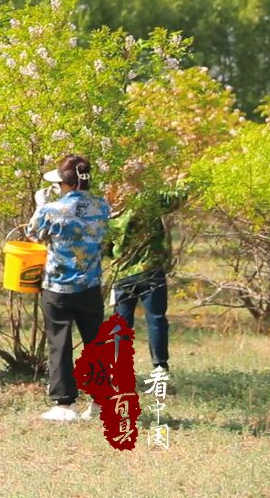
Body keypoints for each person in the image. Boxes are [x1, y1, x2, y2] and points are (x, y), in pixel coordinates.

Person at [26, 154, 110, 421]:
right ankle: (101, 401)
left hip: (58, 287)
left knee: (59, 343)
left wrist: (40, 205)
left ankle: (64, 405)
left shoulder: (52, 209)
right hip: (91, 284)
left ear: (66, 183)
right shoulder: (102, 205)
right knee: (95, 343)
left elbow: (33, 234)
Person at [105, 161, 187, 380]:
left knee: (121, 323)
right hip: (151, 271)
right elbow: (178, 197)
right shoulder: (149, 199)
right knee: (156, 318)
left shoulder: (111, 211)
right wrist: (186, 179)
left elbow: (105, 246)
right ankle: (160, 367)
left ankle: (119, 368)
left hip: (122, 274)